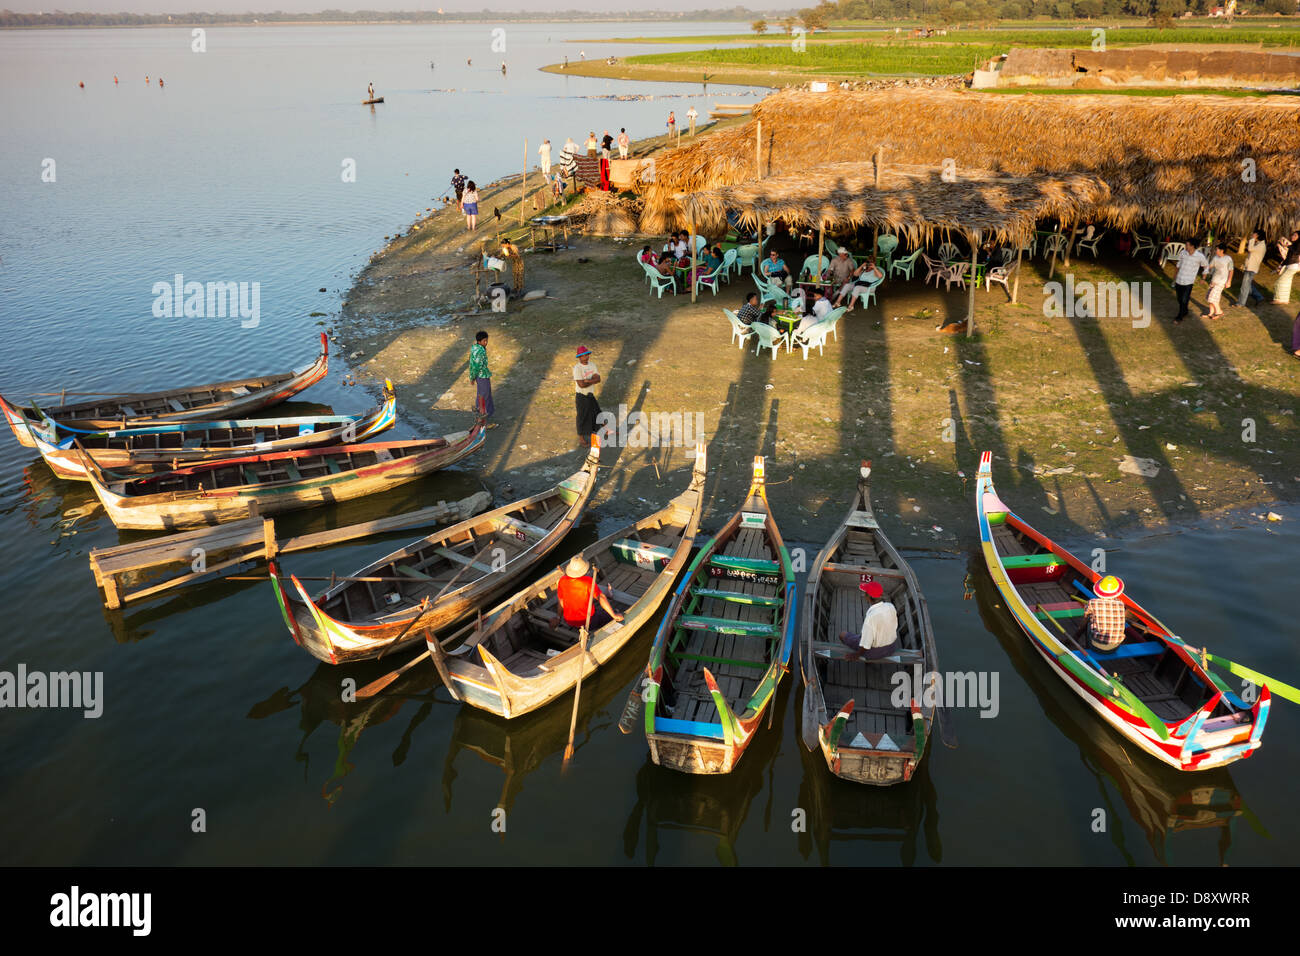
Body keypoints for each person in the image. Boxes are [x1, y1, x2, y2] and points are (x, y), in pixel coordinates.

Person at [557, 555, 624, 630]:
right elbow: (601, 597)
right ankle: (610, 601)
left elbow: (561, 601)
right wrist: (614, 615)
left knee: (590, 599)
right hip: (588, 622)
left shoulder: (562, 580)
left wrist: (558, 617)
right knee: (615, 612)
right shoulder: (588, 581)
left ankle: (607, 595)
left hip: (569, 621)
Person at [838, 580, 899, 660]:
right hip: (891, 647)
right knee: (864, 637)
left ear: (868, 597)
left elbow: (866, 645)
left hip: (875, 653)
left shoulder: (871, 617)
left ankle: (868, 660)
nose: (864, 595)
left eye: (865, 593)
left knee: (842, 634)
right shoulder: (891, 606)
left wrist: (856, 655)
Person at [1085, 575, 1127, 652]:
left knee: (1088, 622)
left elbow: (1086, 615)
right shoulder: (1121, 604)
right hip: (1115, 647)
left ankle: (1087, 647)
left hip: (1096, 646)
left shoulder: (1093, 602)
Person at [1171, 240, 1208, 324]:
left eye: (1187, 245)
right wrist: (1175, 276)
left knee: (1184, 299)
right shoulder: (1183, 253)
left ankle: (1179, 317)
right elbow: (1178, 264)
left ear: (1192, 246)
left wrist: (1203, 278)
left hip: (1188, 282)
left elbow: (1206, 266)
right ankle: (1185, 311)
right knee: (1179, 299)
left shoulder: (1199, 256)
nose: (1186, 246)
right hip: (1179, 279)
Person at [573, 346, 602, 443]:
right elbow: (581, 385)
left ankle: (606, 430)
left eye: (586, 355)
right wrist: (593, 381)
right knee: (582, 416)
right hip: (581, 396)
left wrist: (588, 380)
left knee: (597, 412)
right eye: (582, 356)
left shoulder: (592, 365)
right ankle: (581, 437)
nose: (585, 357)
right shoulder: (577, 368)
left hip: (590, 394)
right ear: (579, 357)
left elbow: (598, 379)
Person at [469, 331, 497, 427]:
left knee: (481, 395)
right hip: (482, 376)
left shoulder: (475, 348)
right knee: (485, 397)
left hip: (480, 376)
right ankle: (484, 419)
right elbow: (476, 366)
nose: (486, 343)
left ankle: (480, 416)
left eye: (486, 340)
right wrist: (472, 377)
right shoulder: (480, 351)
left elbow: (472, 365)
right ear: (479, 341)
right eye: (484, 341)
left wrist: (472, 377)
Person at [1204, 243, 1233, 320]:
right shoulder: (1215, 258)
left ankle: (1219, 312)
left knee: (1212, 298)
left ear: (1221, 250)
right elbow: (1209, 266)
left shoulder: (1228, 259)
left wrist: (1229, 281)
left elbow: (1231, 271)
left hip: (1221, 281)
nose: (1216, 251)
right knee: (1209, 297)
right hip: (1214, 280)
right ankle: (1211, 313)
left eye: (1217, 249)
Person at [1238, 229, 1267, 307]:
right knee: (1247, 285)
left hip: (1251, 268)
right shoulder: (1258, 244)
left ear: (1257, 235)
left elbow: (1250, 249)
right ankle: (1259, 297)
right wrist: (1244, 265)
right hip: (1250, 267)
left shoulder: (1261, 245)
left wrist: (1251, 240)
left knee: (1245, 286)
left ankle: (1241, 303)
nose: (1252, 234)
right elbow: (1251, 256)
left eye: (1254, 234)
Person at [1274, 229, 1300, 304]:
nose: (1293, 236)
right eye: (1293, 235)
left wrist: (1289, 246)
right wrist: (1281, 265)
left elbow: (1297, 252)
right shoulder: (1293, 245)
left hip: (1293, 265)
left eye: (1295, 235)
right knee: (1287, 283)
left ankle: (1278, 299)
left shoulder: (1297, 245)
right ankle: (1285, 300)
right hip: (1290, 265)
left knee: (1280, 281)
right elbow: (1287, 258)